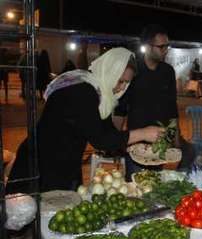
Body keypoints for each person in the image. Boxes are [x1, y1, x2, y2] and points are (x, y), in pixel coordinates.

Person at [6, 47, 163, 193]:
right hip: (40, 165)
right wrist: (143, 133)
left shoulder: (100, 92)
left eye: (126, 83)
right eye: (120, 81)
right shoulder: (83, 91)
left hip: (63, 161)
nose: (121, 88)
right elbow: (101, 139)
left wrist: (132, 147)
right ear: (109, 72)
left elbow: (108, 131)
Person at [114, 24, 182, 178]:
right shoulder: (133, 70)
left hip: (161, 145)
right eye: (161, 46)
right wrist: (116, 143)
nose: (165, 49)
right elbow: (120, 109)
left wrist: (177, 142)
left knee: (156, 189)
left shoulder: (168, 72)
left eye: (167, 46)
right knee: (136, 189)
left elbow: (172, 109)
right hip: (136, 145)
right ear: (148, 46)